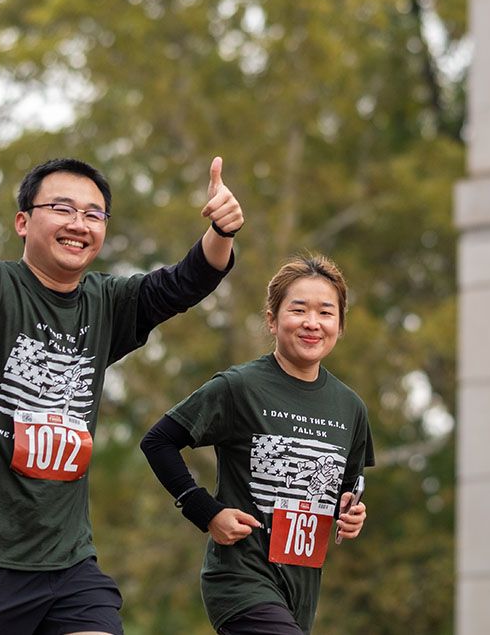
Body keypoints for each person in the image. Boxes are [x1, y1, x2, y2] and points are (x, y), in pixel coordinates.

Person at [0, 105, 245, 635]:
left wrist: (221, 229)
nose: (78, 224)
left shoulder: (107, 304)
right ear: (23, 222)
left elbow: (186, 281)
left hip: (67, 566)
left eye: (93, 214)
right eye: (62, 208)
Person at [140, 254, 374, 634]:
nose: (312, 323)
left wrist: (351, 514)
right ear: (272, 319)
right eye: (298, 310)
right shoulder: (240, 387)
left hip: (301, 587)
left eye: (326, 313)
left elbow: (346, 489)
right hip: (240, 581)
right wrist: (206, 512)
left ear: (340, 325)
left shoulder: (350, 407)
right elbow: (159, 441)